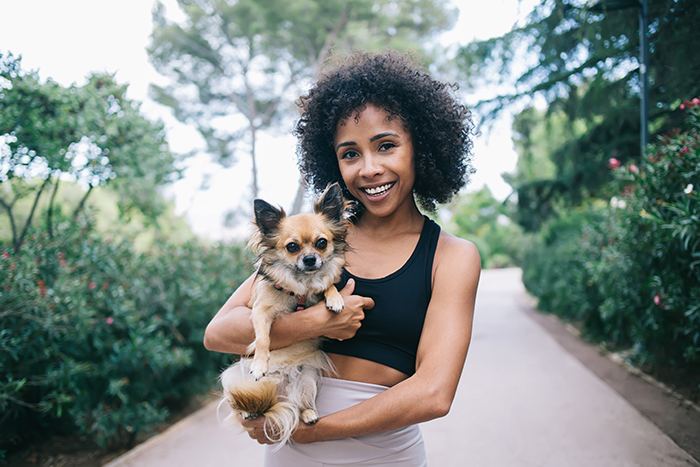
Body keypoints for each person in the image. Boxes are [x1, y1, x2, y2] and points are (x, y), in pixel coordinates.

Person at [203, 50, 481, 466]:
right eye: (350, 153)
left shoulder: (451, 257)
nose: (369, 169)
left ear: (420, 148)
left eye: (386, 146)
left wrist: (310, 431)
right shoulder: (315, 243)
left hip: (381, 456)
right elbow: (219, 333)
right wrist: (315, 322)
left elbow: (434, 393)